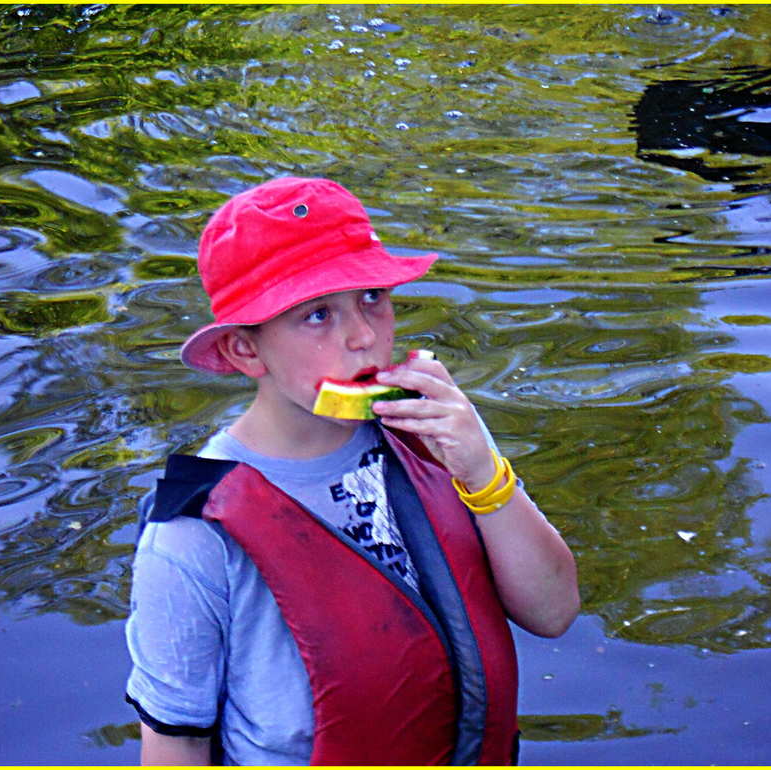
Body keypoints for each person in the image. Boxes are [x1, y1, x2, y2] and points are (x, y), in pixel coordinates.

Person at [124, 176, 579, 766]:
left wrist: (484, 473)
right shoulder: (193, 529)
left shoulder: (438, 436)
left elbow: (554, 611)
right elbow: (173, 744)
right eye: (317, 315)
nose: (364, 335)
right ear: (245, 351)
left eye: (372, 297)